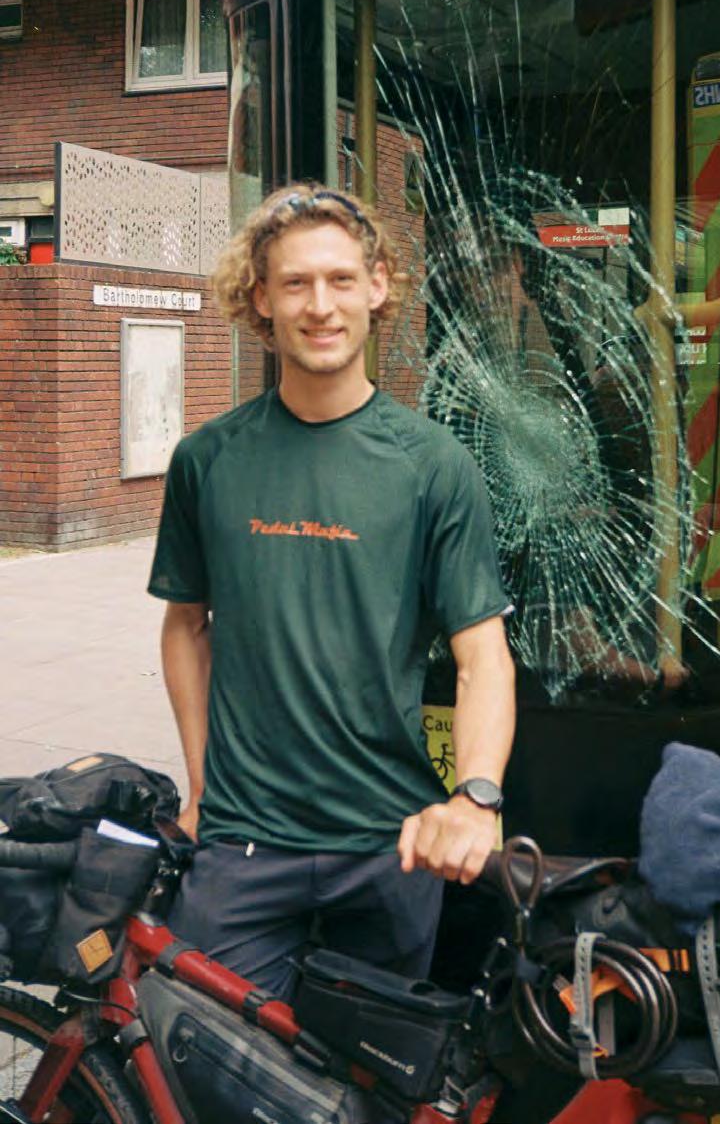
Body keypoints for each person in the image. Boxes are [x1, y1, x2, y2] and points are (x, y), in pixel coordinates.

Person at [148, 183, 515, 1001]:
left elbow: (483, 657)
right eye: (296, 283)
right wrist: (202, 788)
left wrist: (476, 796)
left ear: (376, 286)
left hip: (389, 842)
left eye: (341, 280)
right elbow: (185, 627)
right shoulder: (207, 460)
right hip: (242, 840)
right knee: (205, 1051)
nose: (320, 306)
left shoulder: (434, 465)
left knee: (368, 1067)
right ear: (261, 297)